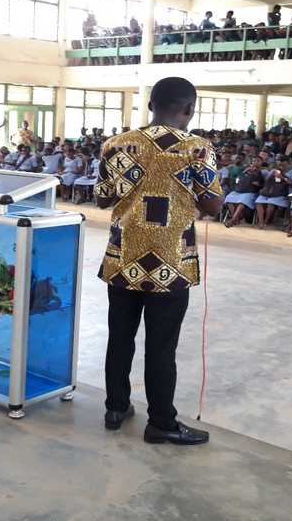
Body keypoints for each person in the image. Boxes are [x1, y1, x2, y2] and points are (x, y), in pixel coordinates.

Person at [95, 76, 222, 445]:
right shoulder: (198, 148)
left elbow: (103, 200)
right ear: (189, 109)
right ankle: (161, 423)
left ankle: (116, 407)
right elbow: (214, 204)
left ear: (150, 106)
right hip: (170, 264)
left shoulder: (117, 144)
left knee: (119, 338)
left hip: (123, 259)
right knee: (161, 346)